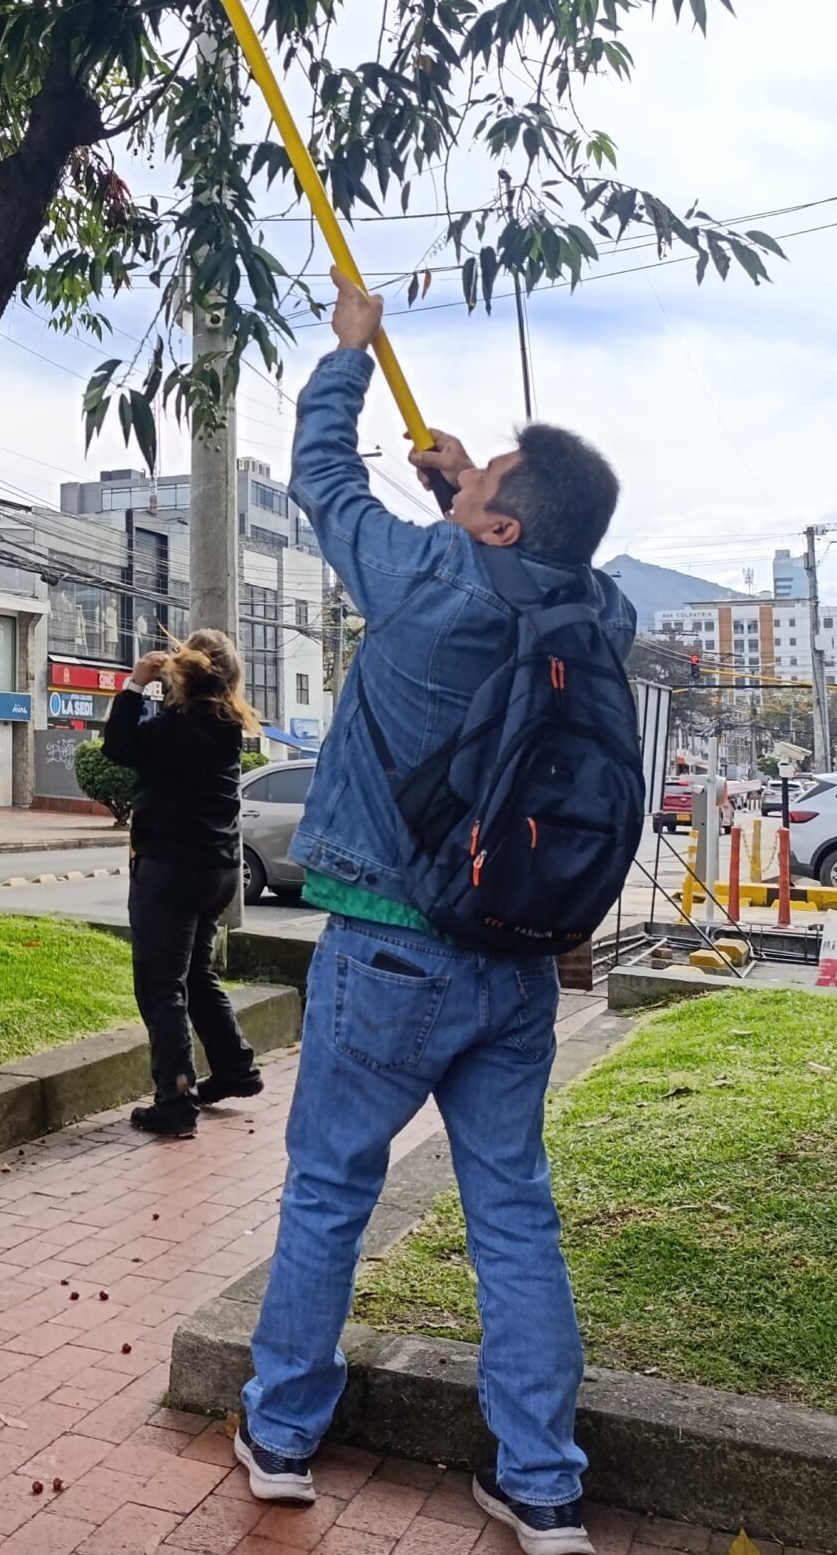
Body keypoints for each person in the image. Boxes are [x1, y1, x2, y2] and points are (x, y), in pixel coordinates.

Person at [236, 278, 631, 1555]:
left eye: (481, 489)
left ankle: (283, 1437)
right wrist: (460, 484)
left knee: (328, 1192)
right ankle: (544, 1484)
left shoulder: (426, 578)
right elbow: (504, 551)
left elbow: (320, 481)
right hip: (516, 964)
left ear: (502, 525)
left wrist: (348, 360)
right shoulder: (597, 605)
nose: (463, 492)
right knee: (512, 1210)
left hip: (387, 952)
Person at [101, 630, 263, 1138]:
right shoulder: (229, 725)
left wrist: (134, 685)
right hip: (216, 871)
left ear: (184, 673)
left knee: (160, 983)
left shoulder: (176, 727)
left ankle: (175, 1098)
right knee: (195, 975)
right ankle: (236, 1069)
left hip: (169, 869)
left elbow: (118, 747)